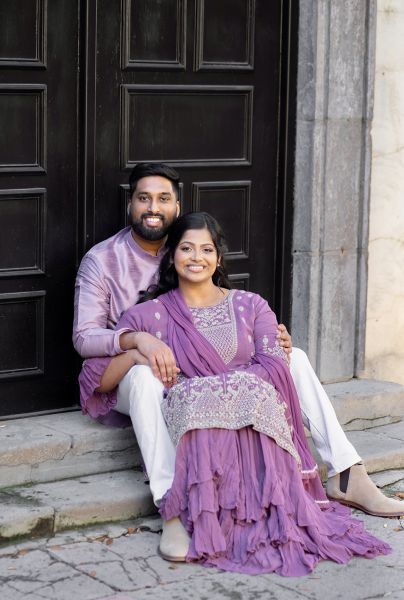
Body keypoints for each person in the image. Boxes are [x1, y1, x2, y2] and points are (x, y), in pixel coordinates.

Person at [73, 162, 404, 553]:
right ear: (131, 204)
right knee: (145, 378)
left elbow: (230, 312)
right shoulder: (103, 260)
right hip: (138, 365)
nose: (153, 207)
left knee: (293, 357)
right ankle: (171, 504)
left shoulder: (193, 247)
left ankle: (347, 471)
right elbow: (85, 338)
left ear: (178, 209)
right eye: (144, 198)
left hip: (201, 368)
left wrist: (267, 341)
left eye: (163, 199)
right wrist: (137, 341)